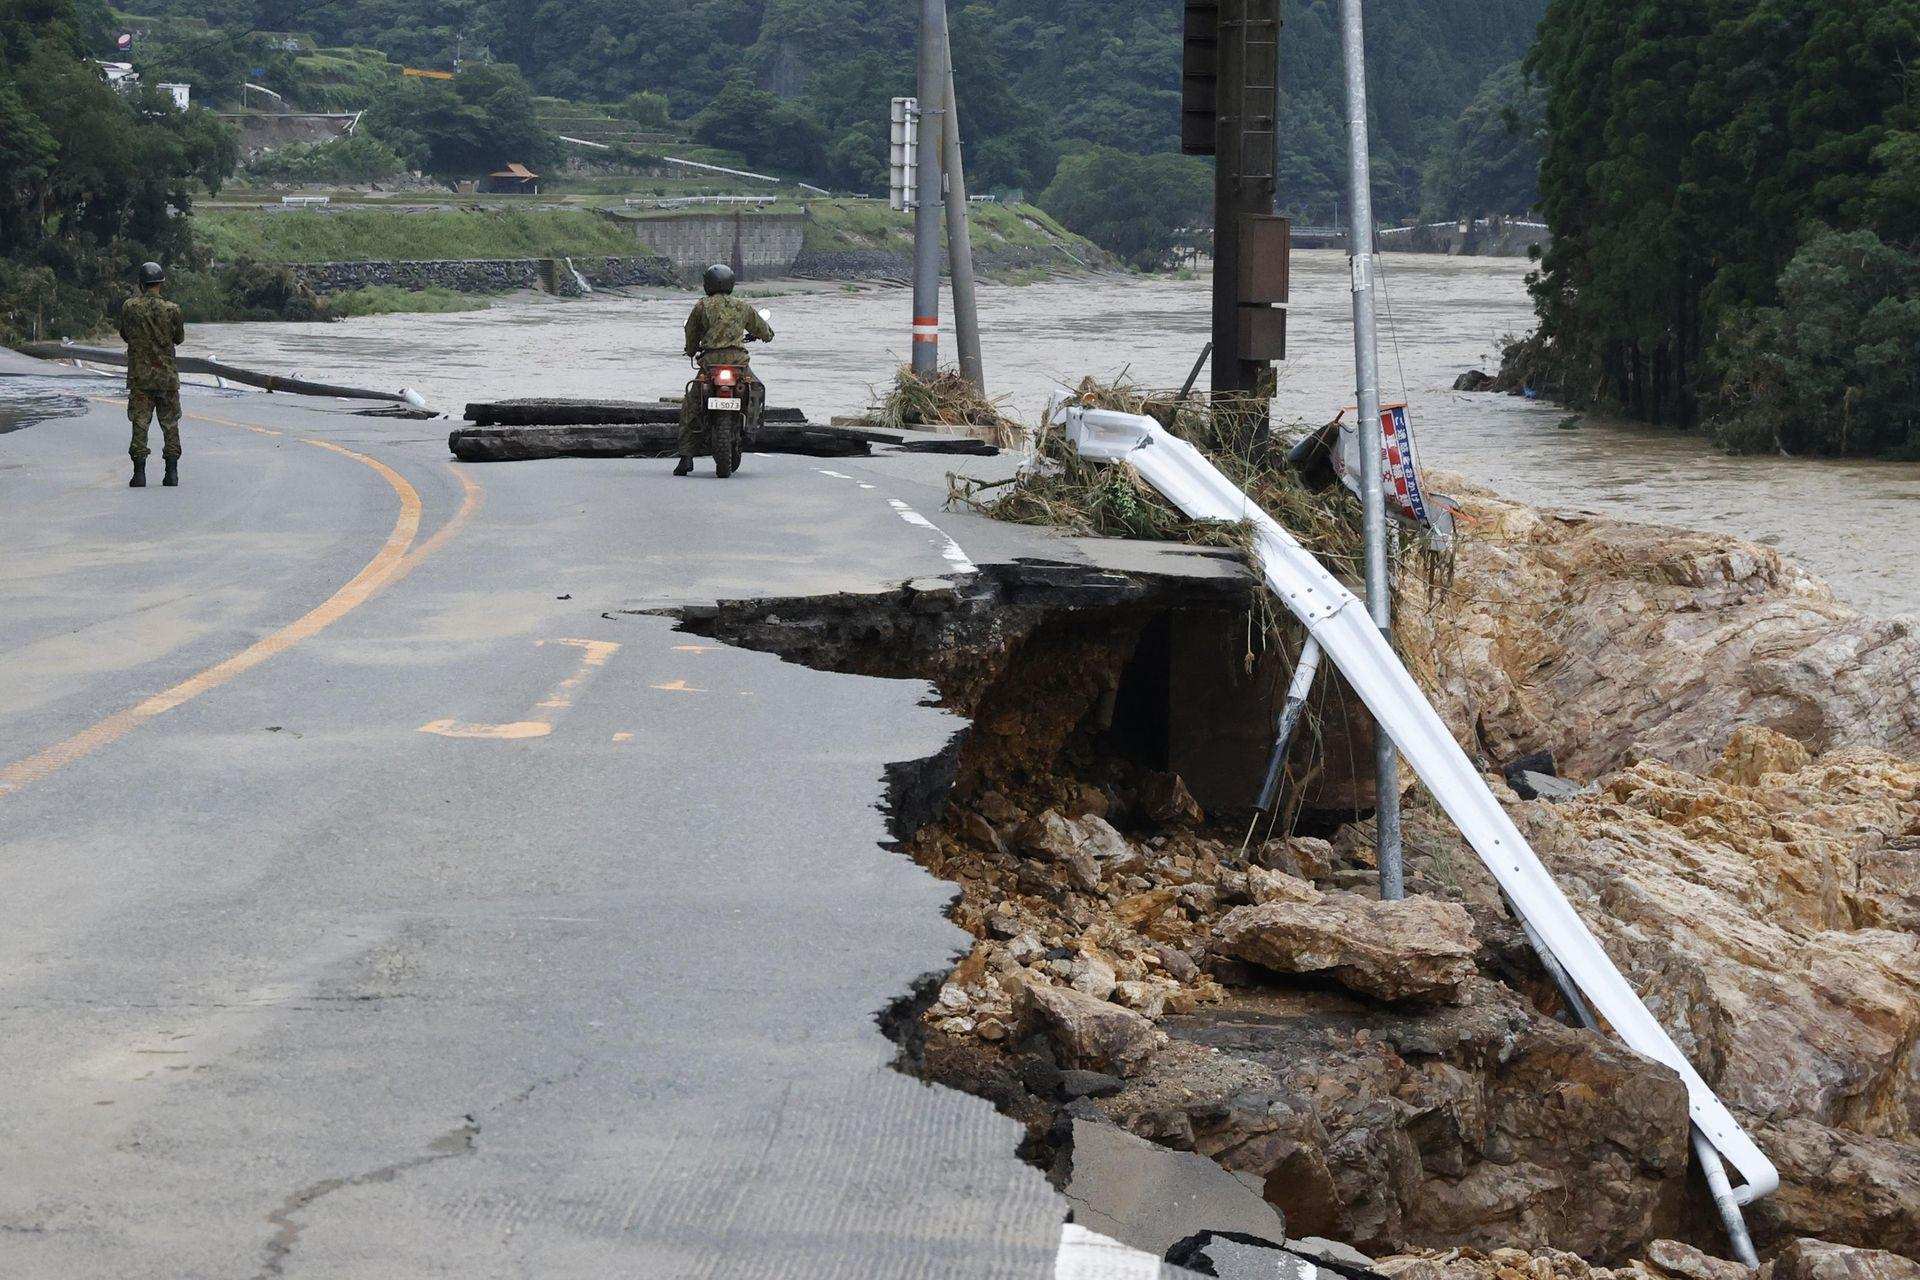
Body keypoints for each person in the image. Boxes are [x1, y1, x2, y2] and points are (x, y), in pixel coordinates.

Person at [676, 264, 774, 477]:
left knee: (691, 405)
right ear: (730, 284)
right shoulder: (742, 306)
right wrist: (765, 335)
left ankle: (685, 457)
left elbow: (691, 333)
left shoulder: (702, 306)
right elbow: (764, 331)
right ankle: (752, 428)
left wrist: (691, 350)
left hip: (710, 365)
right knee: (756, 389)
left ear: (708, 284)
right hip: (738, 364)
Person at [119, 261, 186, 488]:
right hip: (167, 379)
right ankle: (172, 473)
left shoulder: (129, 307)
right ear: (161, 283)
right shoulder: (173, 310)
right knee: (170, 424)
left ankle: (139, 474)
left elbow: (125, 334)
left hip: (140, 378)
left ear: (141, 283)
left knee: (139, 424)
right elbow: (179, 338)